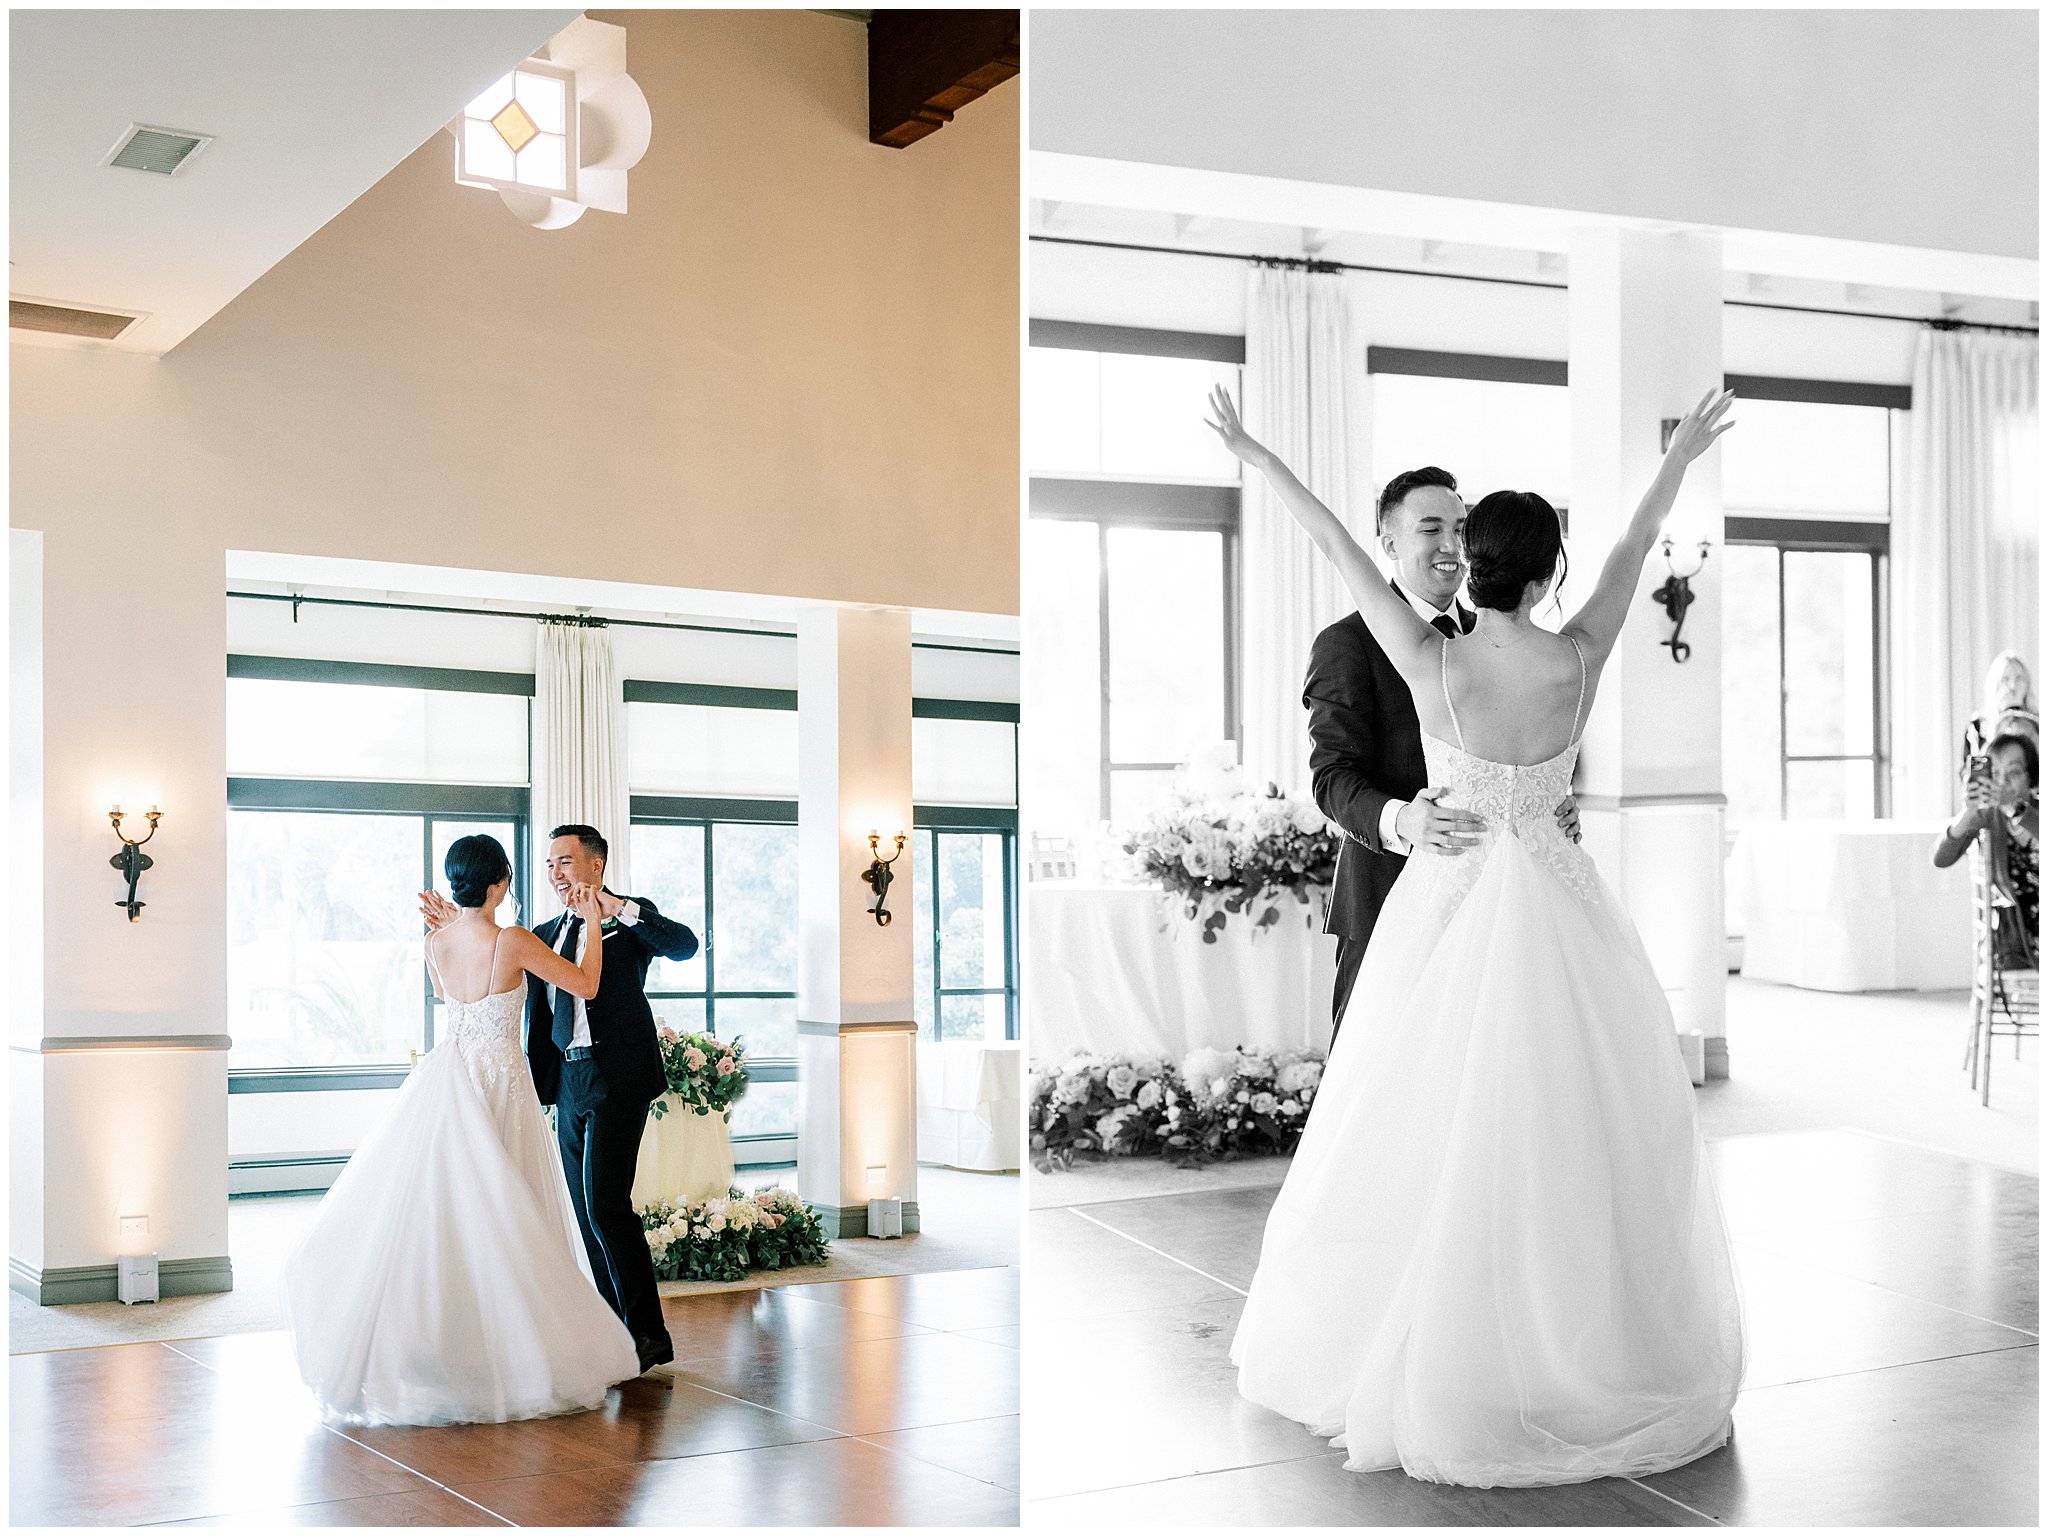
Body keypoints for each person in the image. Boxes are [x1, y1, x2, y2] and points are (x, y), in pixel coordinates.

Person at [1205, 383, 1745, 1487]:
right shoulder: (1579, 660)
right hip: (1559, 912)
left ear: (1478, 564)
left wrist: (1257, 454)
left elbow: (1331, 541)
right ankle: (1566, 1344)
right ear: (1546, 570)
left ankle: (1424, 1339)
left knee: (1421, 1127)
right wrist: (1677, 451)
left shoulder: (1431, 662)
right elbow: (1640, 540)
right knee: (1570, 1133)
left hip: (1446, 914)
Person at [281, 835, 640, 1426]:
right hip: (501, 1082)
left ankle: (448, 1346)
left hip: (451, 1078)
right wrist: (595, 924)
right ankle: (510, 1351)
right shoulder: (514, 940)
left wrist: (458, 923)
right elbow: (586, 986)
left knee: (449, 1212)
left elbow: (455, 992)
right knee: (506, 1210)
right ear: (501, 883)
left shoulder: (434, 941)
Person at [1306, 464, 1578, 1037]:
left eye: (1461, 528)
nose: (1452, 545)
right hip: (1387, 899)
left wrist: (1559, 798)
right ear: (1389, 543)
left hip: (1509, 909)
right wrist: (1404, 818)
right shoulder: (1347, 644)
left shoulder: (1504, 633)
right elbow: (1331, 776)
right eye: (1432, 529)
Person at [1935, 731, 2039, 966]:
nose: (2003, 782)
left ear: (2030, 776)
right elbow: (1940, 859)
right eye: (1995, 774)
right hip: (2017, 934)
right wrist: (1967, 814)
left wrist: (2015, 808)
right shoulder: (1988, 815)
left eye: (2013, 772)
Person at [1961, 651, 2038, 772]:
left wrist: (2017, 713)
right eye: (2005, 679)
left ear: (2027, 684)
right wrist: (1997, 726)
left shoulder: (2037, 722)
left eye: (2019, 679)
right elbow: (1976, 772)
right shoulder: (1979, 725)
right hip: (1992, 788)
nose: (2012, 686)